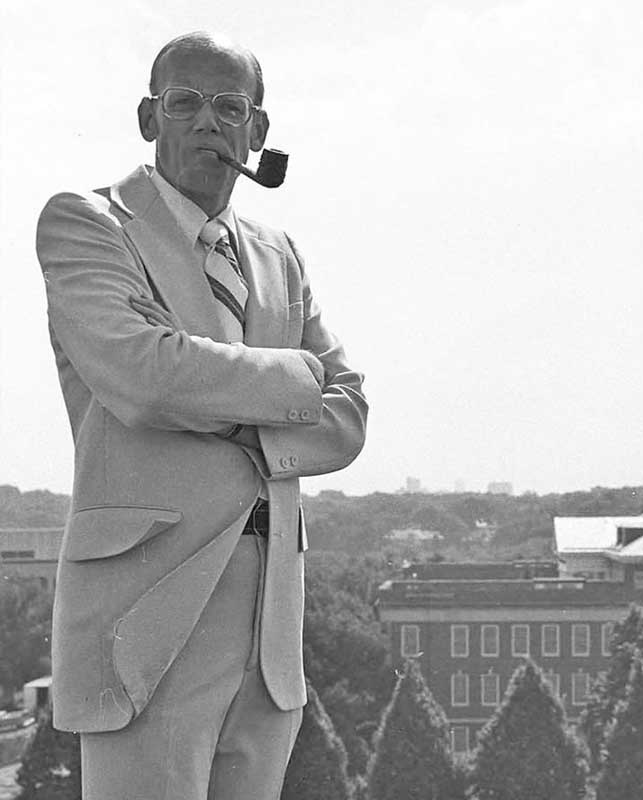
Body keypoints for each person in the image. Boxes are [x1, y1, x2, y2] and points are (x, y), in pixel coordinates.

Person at [35, 31, 368, 800]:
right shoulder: (90, 225)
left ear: (259, 134)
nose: (206, 123)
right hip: (146, 621)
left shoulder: (279, 253)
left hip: (270, 633)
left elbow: (349, 419)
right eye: (183, 103)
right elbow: (141, 377)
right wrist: (294, 384)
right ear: (149, 119)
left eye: (229, 107)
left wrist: (212, 396)